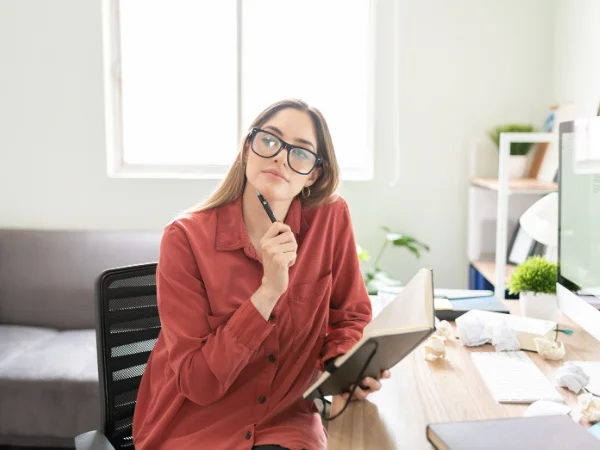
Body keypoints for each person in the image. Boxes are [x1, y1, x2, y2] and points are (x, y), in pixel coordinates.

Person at [132, 99, 391, 450]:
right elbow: (198, 383)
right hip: (199, 428)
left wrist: (346, 366)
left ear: (314, 173)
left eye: (301, 152)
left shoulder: (329, 218)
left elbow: (351, 314)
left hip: (286, 421)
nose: (281, 157)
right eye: (270, 140)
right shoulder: (185, 239)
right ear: (247, 150)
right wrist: (268, 291)